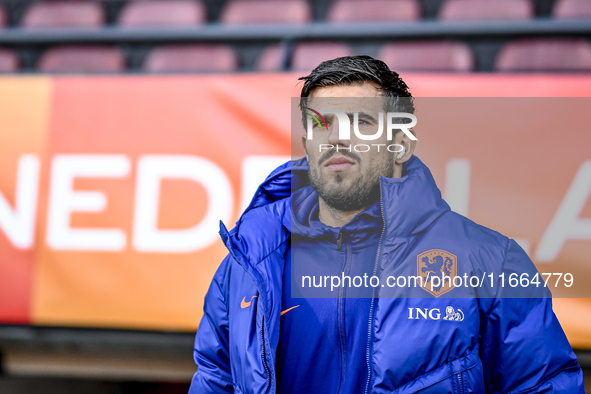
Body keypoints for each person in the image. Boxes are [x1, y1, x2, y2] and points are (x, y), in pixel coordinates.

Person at [188, 56, 584, 393]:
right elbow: (214, 377)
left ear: (402, 145)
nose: (336, 140)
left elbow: (543, 383)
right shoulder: (247, 263)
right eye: (321, 124)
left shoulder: (492, 261)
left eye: (360, 123)